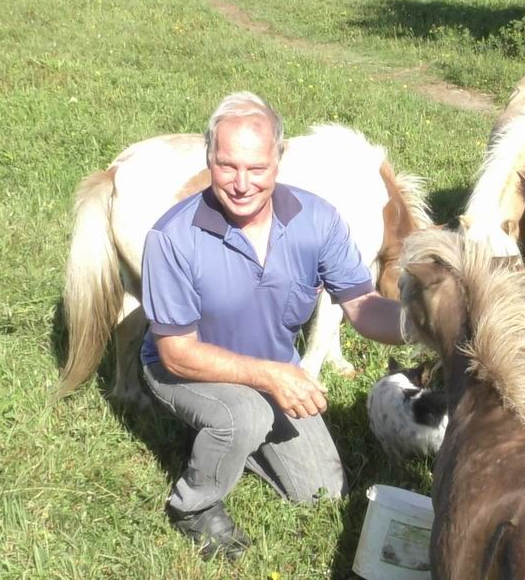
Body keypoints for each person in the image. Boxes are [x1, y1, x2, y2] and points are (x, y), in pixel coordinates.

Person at [139, 92, 405, 560]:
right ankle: (193, 504)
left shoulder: (316, 219)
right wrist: (271, 376)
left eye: (256, 168)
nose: (242, 184)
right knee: (245, 413)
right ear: (209, 159)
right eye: (227, 166)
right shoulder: (172, 237)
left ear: (279, 159)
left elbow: (362, 304)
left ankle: (220, 439)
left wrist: (424, 324)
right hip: (183, 369)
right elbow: (175, 352)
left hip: (271, 370)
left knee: (321, 490)